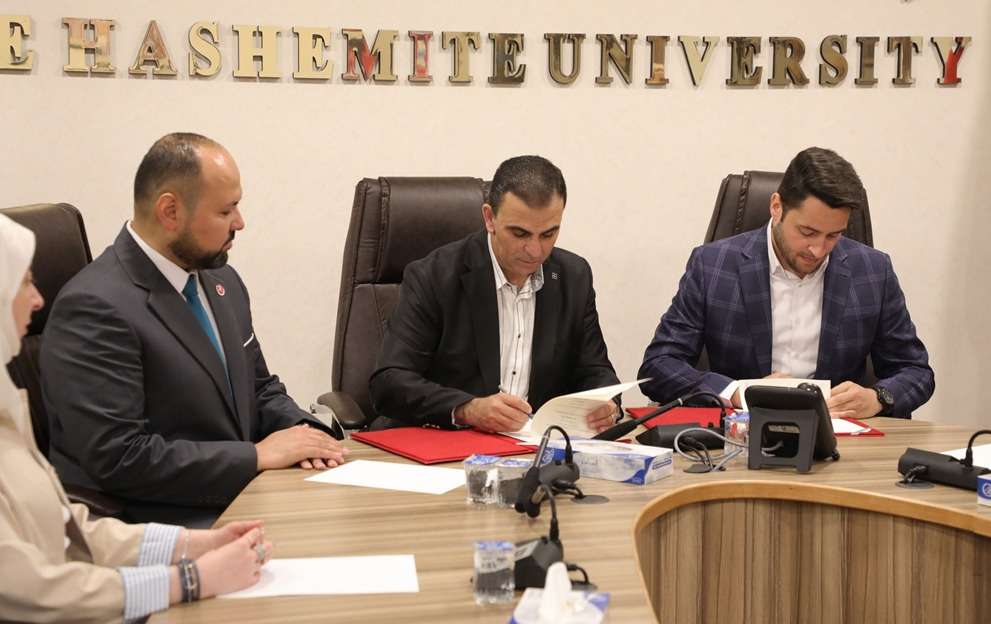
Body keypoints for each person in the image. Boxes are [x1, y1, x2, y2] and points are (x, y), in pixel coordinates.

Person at [41, 133, 347, 527]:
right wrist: (256, 455)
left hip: (245, 499)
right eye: (226, 211)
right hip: (158, 524)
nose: (240, 223)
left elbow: (258, 388)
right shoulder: (94, 306)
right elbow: (120, 457)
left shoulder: (222, 281)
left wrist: (308, 432)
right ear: (170, 211)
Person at [0, 213, 272, 622]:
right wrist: (189, 579)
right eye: (24, 282)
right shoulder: (95, 303)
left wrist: (192, 545)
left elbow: (70, 530)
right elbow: (26, 591)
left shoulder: (5, 398)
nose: (39, 300)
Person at [639, 147, 934, 419]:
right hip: (741, 436)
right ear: (777, 206)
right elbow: (659, 365)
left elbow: (916, 371)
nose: (818, 249)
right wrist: (736, 392)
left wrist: (878, 397)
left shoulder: (873, 270)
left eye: (833, 236)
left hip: (840, 439)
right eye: (808, 232)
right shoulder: (713, 265)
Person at [369, 155, 621, 432]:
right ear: (489, 218)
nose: (535, 250)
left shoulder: (573, 277)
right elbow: (389, 383)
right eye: (520, 233)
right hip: (447, 440)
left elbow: (595, 371)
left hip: (530, 445)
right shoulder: (434, 276)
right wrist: (467, 409)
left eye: (548, 234)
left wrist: (606, 404)